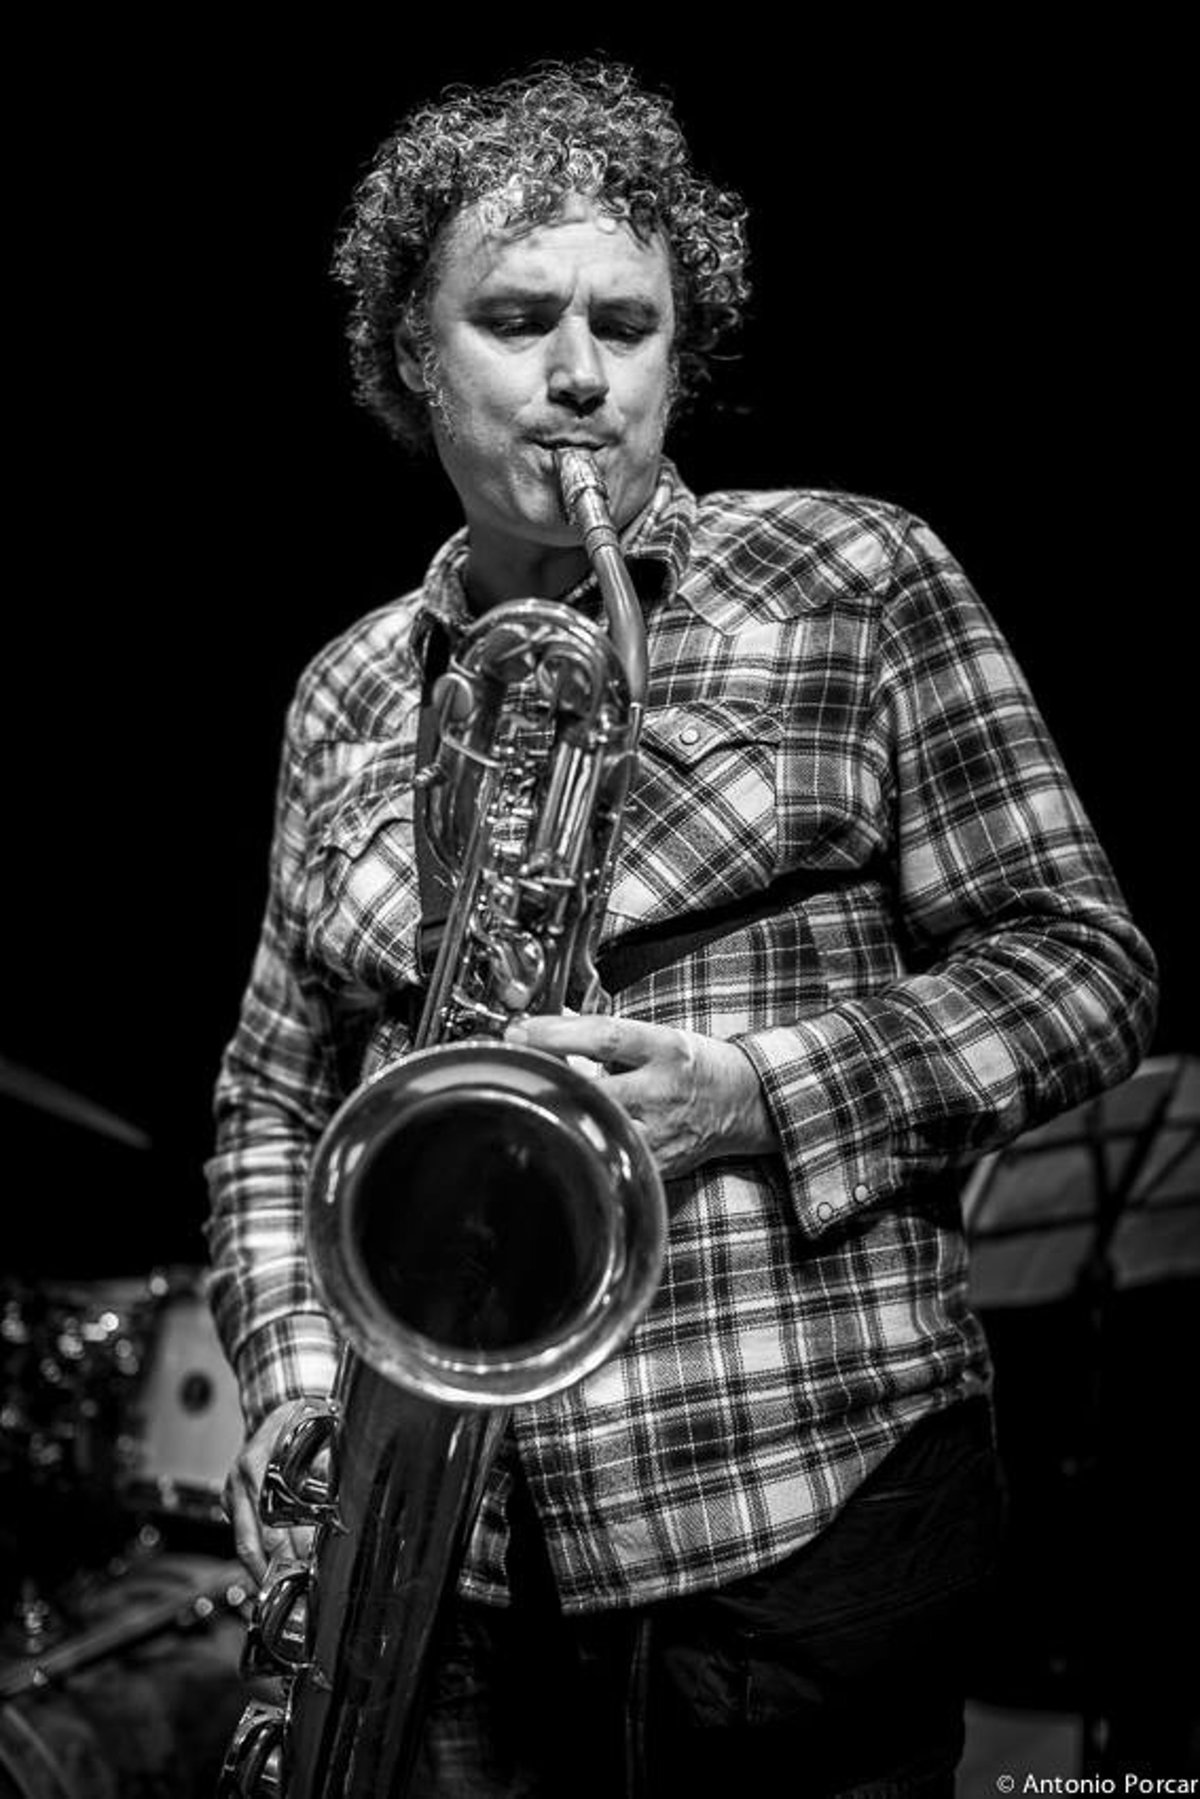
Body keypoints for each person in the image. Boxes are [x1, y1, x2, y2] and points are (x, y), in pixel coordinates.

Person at [205, 58, 1157, 1798]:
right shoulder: (342, 693)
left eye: (628, 327)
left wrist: (754, 1094)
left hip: (799, 1512)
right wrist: (288, 1376)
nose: (582, 376)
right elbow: (271, 1099)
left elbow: (1080, 965)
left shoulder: (854, 574)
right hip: (454, 1565)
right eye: (517, 319)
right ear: (414, 353)